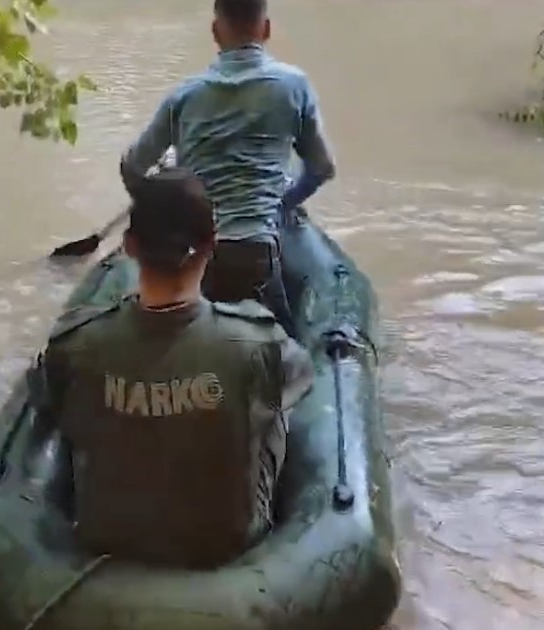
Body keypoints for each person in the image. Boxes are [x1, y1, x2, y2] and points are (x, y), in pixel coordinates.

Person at [30, 167, 314, 569]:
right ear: (213, 244)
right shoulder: (260, 341)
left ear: (129, 246)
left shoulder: (75, 342)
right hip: (225, 544)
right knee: (273, 405)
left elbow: (48, 403)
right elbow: (303, 379)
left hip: (106, 539)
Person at [119, 0, 336, 340]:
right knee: (286, 357)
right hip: (258, 250)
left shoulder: (183, 96)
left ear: (216, 32)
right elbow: (322, 168)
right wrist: (281, 202)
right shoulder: (295, 86)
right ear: (266, 30)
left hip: (195, 255)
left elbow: (132, 167)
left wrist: (163, 208)